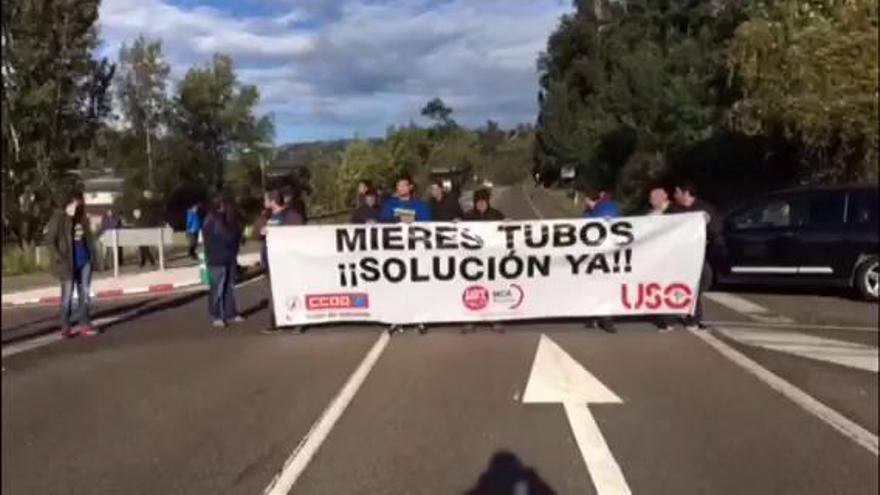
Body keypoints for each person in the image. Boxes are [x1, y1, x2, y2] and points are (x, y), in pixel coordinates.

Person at [380, 175, 431, 334]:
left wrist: (402, 218)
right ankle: (397, 319)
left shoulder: (420, 205)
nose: (401, 188)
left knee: (417, 286)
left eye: (404, 185)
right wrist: (408, 218)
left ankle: (419, 319)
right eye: (398, 185)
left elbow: (427, 223)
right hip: (395, 252)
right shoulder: (389, 205)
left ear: (410, 187)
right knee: (396, 287)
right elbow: (383, 222)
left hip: (416, 251)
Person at [45, 191, 99, 338]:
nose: (76, 208)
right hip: (67, 263)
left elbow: (89, 239)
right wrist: (59, 257)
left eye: (78, 204)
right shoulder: (58, 218)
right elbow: (50, 241)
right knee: (67, 297)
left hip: (84, 261)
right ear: (67, 204)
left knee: (85, 294)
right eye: (73, 204)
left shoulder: (82, 218)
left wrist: (93, 258)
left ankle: (85, 324)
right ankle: (65, 327)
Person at [672, 182, 720, 331]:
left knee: (699, 283)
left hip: (699, 254)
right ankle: (690, 315)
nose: (675, 196)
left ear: (685, 193)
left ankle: (694, 315)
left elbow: (717, 228)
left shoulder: (705, 209)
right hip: (680, 254)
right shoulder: (674, 210)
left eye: (677, 192)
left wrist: (707, 226)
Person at [260, 190, 305, 334]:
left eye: (266, 199)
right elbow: (255, 233)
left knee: (292, 291)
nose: (264, 202)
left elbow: (298, 234)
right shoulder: (268, 216)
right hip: (271, 262)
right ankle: (273, 322)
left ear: (273, 201)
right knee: (273, 293)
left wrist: (276, 232)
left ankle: (298, 322)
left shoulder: (291, 216)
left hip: (287, 262)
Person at [462, 188, 506, 334]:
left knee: (492, 288)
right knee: (473, 289)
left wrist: (508, 224)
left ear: (487, 201)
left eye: (483, 201)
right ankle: (471, 319)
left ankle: (495, 319)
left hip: (492, 258)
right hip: (473, 259)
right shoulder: (467, 216)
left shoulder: (497, 215)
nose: (481, 204)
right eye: (478, 201)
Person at [582, 188, 620, 334]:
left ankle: (607, 320)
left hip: (606, 254)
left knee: (605, 286)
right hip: (593, 254)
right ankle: (594, 317)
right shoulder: (593, 210)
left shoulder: (607, 207)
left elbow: (599, 223)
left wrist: (591, 209)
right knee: (593, 286)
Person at [203, 196, 245, 328]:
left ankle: (231, 312)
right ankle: (217, 315)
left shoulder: (226, 219)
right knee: (218, 289)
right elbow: (226, 237)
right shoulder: (214, 220)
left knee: (229, 287)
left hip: (228, 257)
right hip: (217, 258)